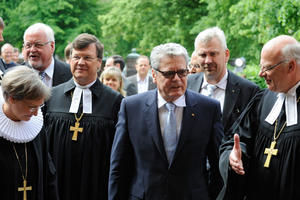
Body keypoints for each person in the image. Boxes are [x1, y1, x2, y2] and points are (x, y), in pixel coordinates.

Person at [109, 43, 223, 200]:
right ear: (154, 75)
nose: (177, 79)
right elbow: (119, 166)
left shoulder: (208, 109)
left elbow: (217, 167)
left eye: (182, 72)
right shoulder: (131, 107)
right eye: (169, 73)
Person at [218, 35, 300, 200]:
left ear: (291, 66)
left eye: (268, 68)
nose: (260, 74)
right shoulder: (262, 100)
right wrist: (233, 157)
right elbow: (235, 140)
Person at [44, 33, 123, 200]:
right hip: (57, 186)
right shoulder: (51, 96)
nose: (80, 63)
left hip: (97, 186)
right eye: (76, 57)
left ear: (99, 63)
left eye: (87, 57)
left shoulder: (115, 102)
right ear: (70, 60)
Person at [0, 66, 58, 199]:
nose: (37, 113)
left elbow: (49, 175)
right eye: (32, 107)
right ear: (12, 98)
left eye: (39, 106)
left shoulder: (36, 127)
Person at [188, 27, 260, 134]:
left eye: (213, 54)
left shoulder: (249, 91)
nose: (208, 60)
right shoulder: (186, 84)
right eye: (203, 55)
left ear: (226, 55)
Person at [23, 22, 72, 87]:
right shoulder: (15, 76)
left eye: (38, 45)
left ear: (52, 46)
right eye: (28, 45)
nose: (32, 50)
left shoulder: (71, 74)